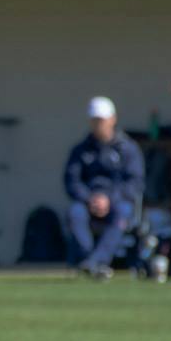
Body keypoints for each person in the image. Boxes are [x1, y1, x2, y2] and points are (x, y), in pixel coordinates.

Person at [62, 96, 145, 280]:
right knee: (75, 213)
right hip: (87, 202)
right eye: (95, 120)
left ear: (113, 119)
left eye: (102, 119)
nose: (98, 124)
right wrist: (90, 198)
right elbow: (71, 181)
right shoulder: (81, 150)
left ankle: (95, 262)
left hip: (117, 202)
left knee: (123, 212)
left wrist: (109, 198)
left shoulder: (127, 149)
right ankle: (89, 258)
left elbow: (135, 182)